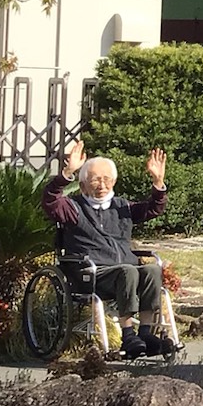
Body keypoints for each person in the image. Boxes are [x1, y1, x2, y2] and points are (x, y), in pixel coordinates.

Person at [40, 139, 176, 359]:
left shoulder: (123, 207)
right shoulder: (73, 208)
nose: (101, 185)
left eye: (106, 180)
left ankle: (145, 333)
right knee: (128, 271)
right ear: (83, 185)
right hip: (91, 272)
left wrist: (158, 181)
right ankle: (128, 333)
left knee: (151, 270)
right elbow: (50, 201)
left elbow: (154, 209)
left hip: (123, 269)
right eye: (95, 180)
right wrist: (67, 172)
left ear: (113, 182)